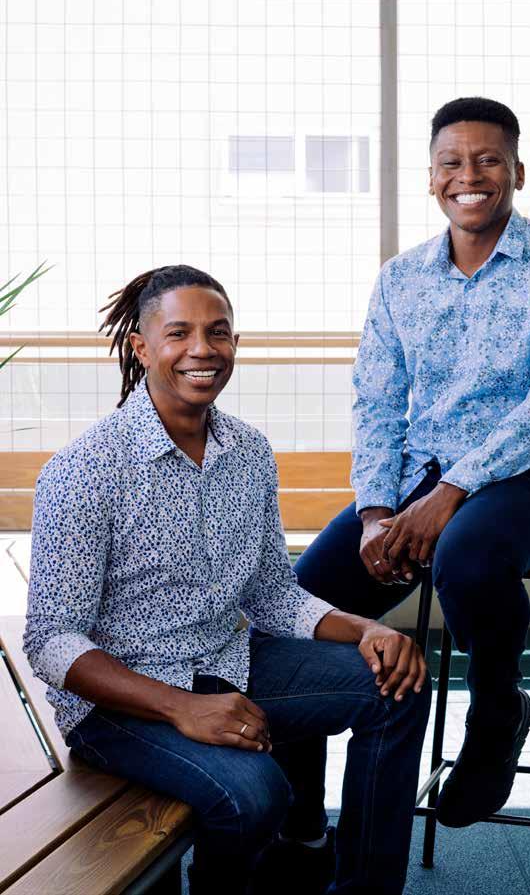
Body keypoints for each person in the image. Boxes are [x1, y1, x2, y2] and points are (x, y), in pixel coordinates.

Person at [23, 265, 431, 895]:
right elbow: (51, 642)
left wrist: (365, 630)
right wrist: (182, 707)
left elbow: (272, 593)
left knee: (397, 685)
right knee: (256, 794)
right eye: (179, 333)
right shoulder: (85, 469)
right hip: (118, 704)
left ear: (235, 343)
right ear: (141, 347)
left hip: (228, 660)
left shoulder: (248, 451)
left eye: (218, 332)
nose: (203, 349)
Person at [295, 97, 530, 829]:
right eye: (452, 162)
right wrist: (376, 513)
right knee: (297, 606)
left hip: (529, 479)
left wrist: (454, 491)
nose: (469, 176)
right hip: (414, 480)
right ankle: (299, 826)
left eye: (488, 160)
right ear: (431, 177)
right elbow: (376, 401)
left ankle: (496, 714)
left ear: (517, 172)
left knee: (463, 556)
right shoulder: (400, 279)